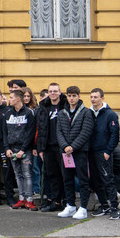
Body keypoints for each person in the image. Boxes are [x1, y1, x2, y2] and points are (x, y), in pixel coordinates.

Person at [56, 86, 92, 220]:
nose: (71, 98)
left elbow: (86, 132)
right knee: (67, 179)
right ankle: (70, 205)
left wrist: (73, 147)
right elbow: (58, 132)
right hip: (65, 153)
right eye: (69, 96)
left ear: (79, 96)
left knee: (83, 180)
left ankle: (83, 208)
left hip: (80, 151)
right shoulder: (61, 113)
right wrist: (65, 146)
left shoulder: (86, 112)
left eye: (74, 96)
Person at [86, 88, 120, 219]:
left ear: (102, 98)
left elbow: (114, 134)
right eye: (91, 97)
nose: (93, 99)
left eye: (96, 97)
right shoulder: (89, 113)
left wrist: (108, 151)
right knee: (96, 181)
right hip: (91, 152)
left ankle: (114, 208)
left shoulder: (110, 114)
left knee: (108, 180)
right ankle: (104, 205)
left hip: (103, 152)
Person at [35, 82, 67, 211]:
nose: (53, 93)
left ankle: (66, 201)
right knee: (52, 175)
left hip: (62, 146)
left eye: (55, 91)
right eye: (51, 91)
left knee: (65, 175)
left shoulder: (65, 105)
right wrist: (41, 149)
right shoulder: (44, 107)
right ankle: (55, 201)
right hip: (48, 147)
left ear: (60, 92)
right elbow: (41, 129)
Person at [4, 89, 37, 211]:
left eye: (11, 97)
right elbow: (5, 133)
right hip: (12, 149)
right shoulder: (8, 114)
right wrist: (7, 148)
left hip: (25, 150)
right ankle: (22, 198)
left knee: (27, 174)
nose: (9, 99)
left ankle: (29, 200)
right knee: (18, 175)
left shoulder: (29, 113)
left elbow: (31, 133)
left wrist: (23, 150)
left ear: (18, 99)